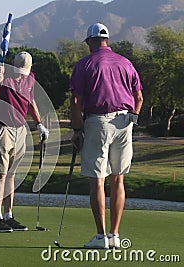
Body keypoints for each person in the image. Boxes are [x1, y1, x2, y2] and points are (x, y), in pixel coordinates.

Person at [70, 23, 143, 248]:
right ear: (107, 40)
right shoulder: (126, 62)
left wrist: (76, 130)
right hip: (124, 121)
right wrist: (132, 119)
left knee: (98, 181)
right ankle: (115, 235)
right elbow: (139, 98)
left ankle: (101, 237)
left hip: (98, 121)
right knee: (118, 179)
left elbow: (75, 101)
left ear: (91, 41)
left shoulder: (85, 64)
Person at [0, 51, 49, 232]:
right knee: (0, 174)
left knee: (11, 175)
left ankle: (9, 215)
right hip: (1, 128)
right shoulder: (3, 76)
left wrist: (38, 124)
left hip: (20, 129)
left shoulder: (30, 79)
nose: (22, 75)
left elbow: (30, 102)